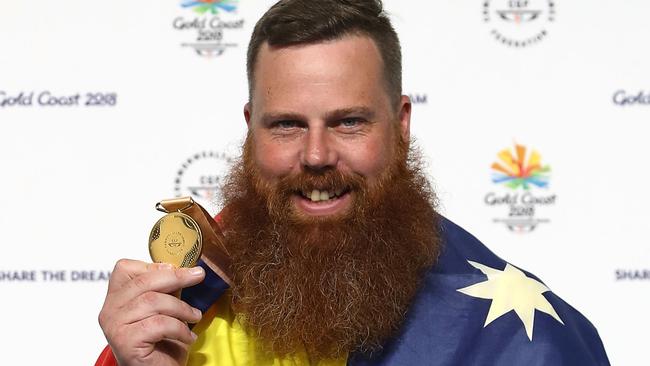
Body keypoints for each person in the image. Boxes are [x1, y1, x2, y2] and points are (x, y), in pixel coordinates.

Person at [97, 1, 610, 365]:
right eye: (287, 124)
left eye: (349, 122)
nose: (316, 156)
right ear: (251, 127)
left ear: (401, 123)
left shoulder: (515, 345)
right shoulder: (189, 312)